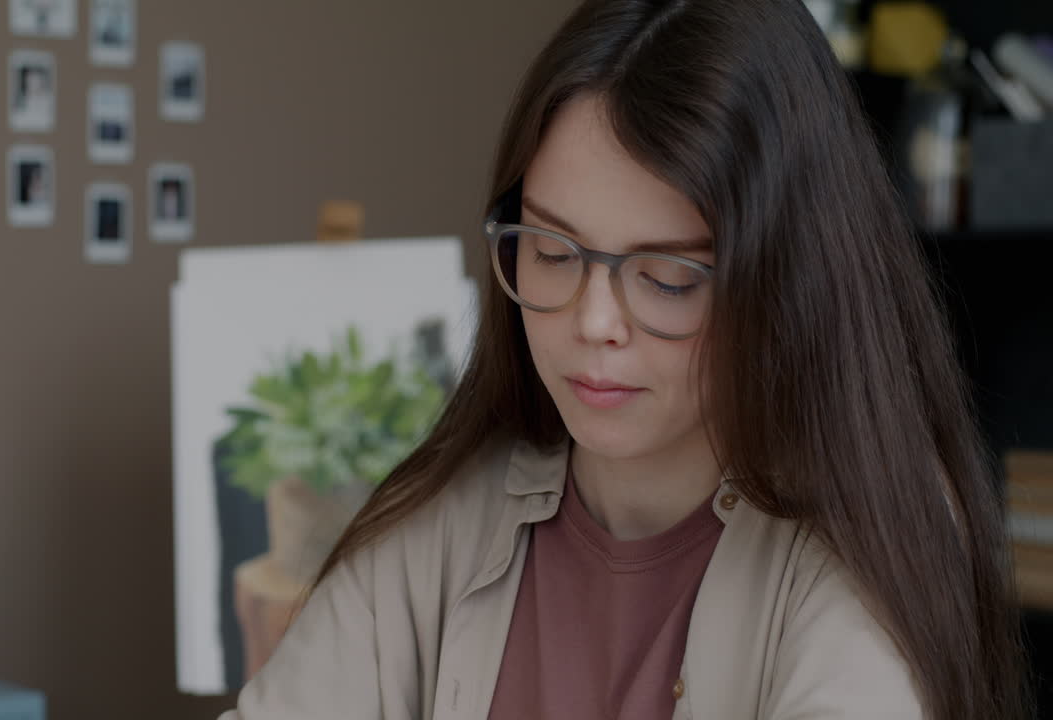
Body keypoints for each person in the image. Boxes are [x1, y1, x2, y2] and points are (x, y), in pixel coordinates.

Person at [219, 0, 1030, 717]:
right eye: (553, 250)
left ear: (788, 281)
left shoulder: (869, 538)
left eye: (669, 276)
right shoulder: (445, 519)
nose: (593, 320)